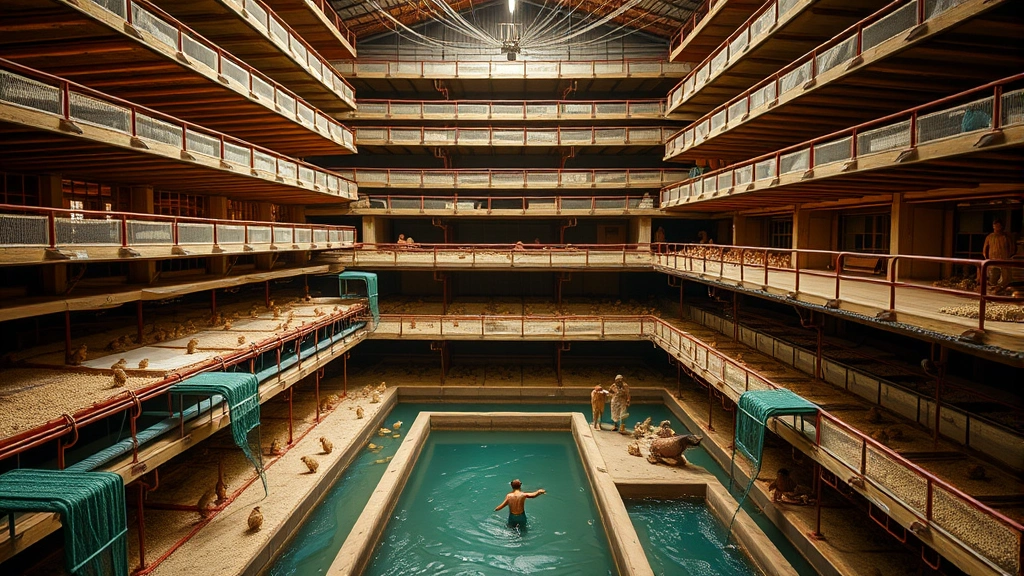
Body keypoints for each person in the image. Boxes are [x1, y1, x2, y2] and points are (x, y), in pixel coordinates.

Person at [982, 218, 1015, 293]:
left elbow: (1012, 248)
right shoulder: (990, 237)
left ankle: (1001, 290)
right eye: (995, 226)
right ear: (993, 226)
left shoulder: (1006, 237)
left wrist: (1009, 257)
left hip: (1004, 260)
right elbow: (985, 249)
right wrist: (987, 259)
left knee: (1006, 278)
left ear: (1001, 226)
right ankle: (993, 292)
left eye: (998, 226)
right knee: (993, 278)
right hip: (993, 261)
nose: (997, 228)